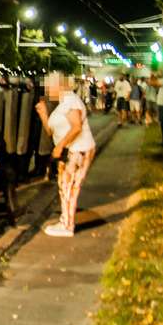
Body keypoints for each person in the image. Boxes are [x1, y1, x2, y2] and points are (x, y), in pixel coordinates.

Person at [35, 72, 96, 237]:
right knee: (66, 187)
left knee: (68, 188)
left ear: (59, 86)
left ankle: (67, 225)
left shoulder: (70, 100)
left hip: (78, 150)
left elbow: (76, 127)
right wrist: (43, 115)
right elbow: (51, 131)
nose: (47, 90)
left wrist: (60, 146)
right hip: (71, 150)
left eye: (49, 87)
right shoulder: (62, 103)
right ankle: (66, 221)